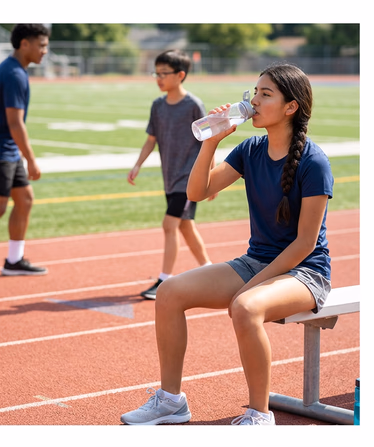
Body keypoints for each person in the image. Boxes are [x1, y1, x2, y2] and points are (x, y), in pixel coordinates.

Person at [120, 63, 333, 425]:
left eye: (266, 94)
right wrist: (211, 142)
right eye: (255, 91)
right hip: (258, 260)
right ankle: (171, 401)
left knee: (246, 308)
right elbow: (197, 192)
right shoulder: (250, 149)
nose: (253, 100)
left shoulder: (314, 161)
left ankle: (259, 415)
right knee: (170, 292)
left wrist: (250, 288)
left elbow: (304, 244)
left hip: (304, 271)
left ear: (290, 107)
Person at [128, 49, 214, 299]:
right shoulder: (157, 106)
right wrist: (137, 165)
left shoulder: (194, 105)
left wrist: (211, 178)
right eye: (156, 73)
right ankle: (209, 271)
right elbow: (150, 140)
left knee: (169, 225)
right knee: (186, 227)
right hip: (170, 177)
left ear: (180, 75)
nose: (158, 78)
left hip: (188, 179)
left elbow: (209, 141)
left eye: (164, 73)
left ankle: (163, 281)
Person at [0, 24, 50, 276]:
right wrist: (31, 160)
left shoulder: (14, 69)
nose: (45, 51)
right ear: (24, 44)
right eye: (41, 45)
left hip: (8, 151)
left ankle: (14, 261)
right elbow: (15, 123)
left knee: (25, 199)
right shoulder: (14, 74)